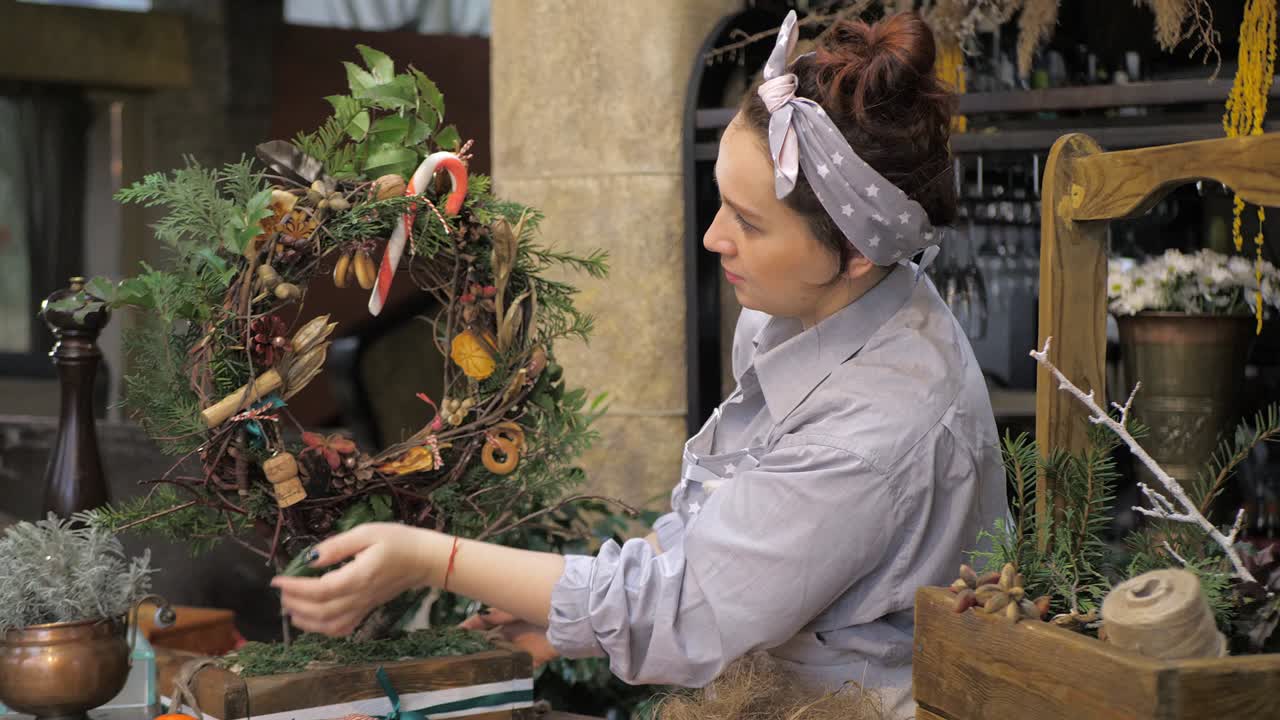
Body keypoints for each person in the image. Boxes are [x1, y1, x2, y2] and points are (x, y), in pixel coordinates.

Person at [272, 10, 1007, 718]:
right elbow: (720, 528)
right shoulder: (800, 312)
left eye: (749, 223)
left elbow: (686, 606)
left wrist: (433, 559)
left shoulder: (876, 425)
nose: (715, 237)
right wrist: (562, 622)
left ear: (854, 252)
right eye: (722, 202)